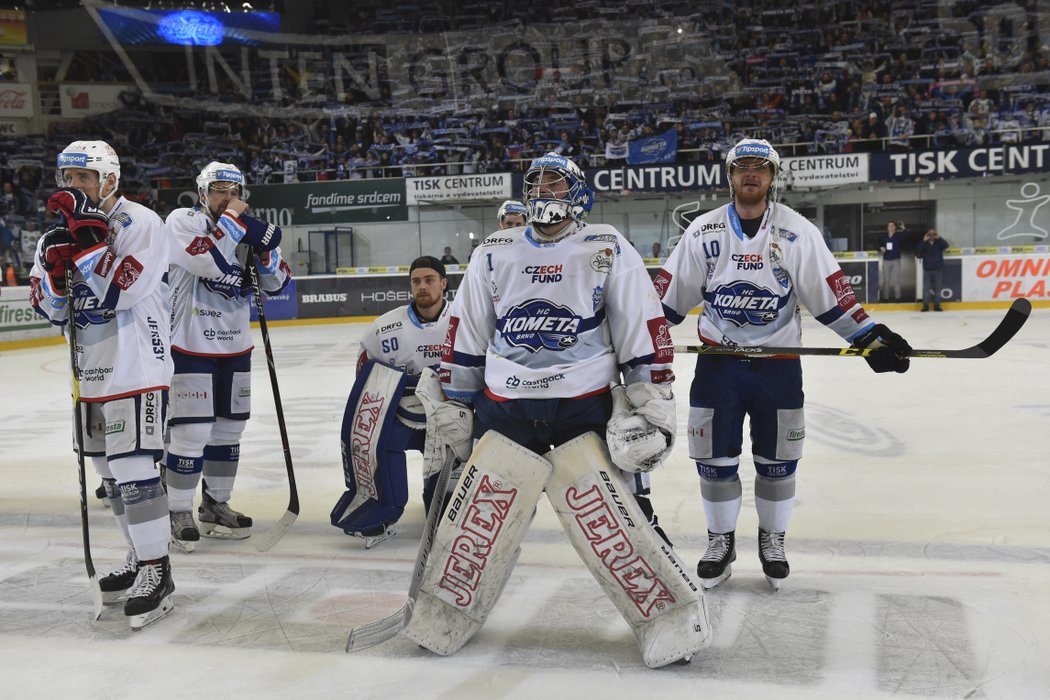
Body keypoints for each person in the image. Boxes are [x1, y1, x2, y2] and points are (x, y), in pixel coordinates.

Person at [416, 152, 696, 664]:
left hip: (583, 404)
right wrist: (456, 398)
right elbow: (468, 331)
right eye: (536, 184)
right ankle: (443, 610)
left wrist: (649, 397)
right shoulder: (495, 251)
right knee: (479, 516)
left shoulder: (606, 246)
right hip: (504, 405)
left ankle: (670, 614)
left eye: (555, 183)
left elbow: (642, 327)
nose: (544, 192)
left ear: (578, 192)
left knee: (621, 513)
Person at [655, 138, 912, 591]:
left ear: (773, 177)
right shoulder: (703, 232)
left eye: (760, 167)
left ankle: (772, 540)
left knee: (778, 461)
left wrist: (870, 337)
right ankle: (721, 542)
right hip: (719, 364)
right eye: (742, 167)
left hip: (778, 366)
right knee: (714, 461)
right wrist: (634, 342)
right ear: (730, 176)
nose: (751, 174)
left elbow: (831, 297)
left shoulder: (797, 232)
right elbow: (664, 303)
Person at [29, 140, 176, 628]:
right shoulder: (55, 231)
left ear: (109, 179)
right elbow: (49, 308)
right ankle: (139, 554)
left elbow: (124, 290)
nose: (72, 188)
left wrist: (89, 242)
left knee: (134, 466)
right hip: (87, 369)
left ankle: (158, 571)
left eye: (83, 178)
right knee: (108, 474)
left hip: (136, 365)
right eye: (66, 179)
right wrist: (53, 272)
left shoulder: (143, 223)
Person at [162, 162, 291, 552]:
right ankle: (178, 509)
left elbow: (276, 281)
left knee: (229, 431)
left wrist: (265, 251)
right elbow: (205, 259)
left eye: (234, 190)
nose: (227, 197)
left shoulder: (247, 233)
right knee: (191, 432)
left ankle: (215, 504)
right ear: (202, 193)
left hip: (235, 346)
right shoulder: (183, 221)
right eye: (219, 189)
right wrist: (236, 222)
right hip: (190, 344)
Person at [329, 255, 455, 547]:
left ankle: (442, 498)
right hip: (399, 415)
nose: (422, 287)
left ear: (443, 283)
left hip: (448, 418)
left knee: (450, 491)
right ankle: (383, 506)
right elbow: (366, 377)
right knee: (381, 445)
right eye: (416, 281)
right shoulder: (384, 328)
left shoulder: (464, 319)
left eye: (429, 280)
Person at [916, 227, 949, 311]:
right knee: (926, 289)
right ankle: (925, 306)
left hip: (938, 269)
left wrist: (939, 238)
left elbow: (946, 246)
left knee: (938, 288)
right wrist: (924, 240)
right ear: (927, 235)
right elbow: (918, 250)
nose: (931, 236)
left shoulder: (939, 243)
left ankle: (937, 306)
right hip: (927, 270)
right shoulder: (925, 244)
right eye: (929, 234)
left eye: (933, 234)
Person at [878, 221, 906, 301]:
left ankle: (898, 297)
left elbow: (906, 236)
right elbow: (879, 245)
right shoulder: (884, 237)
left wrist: (903, 228)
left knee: (896, 280)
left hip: (896, 260)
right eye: (889, 226)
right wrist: (881, 248)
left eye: (892, 226)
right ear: (887, 228)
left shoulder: (898, 236)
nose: (890, 227)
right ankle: (885, 298)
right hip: (886, 260)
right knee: (886, 280)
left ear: (895, 227)